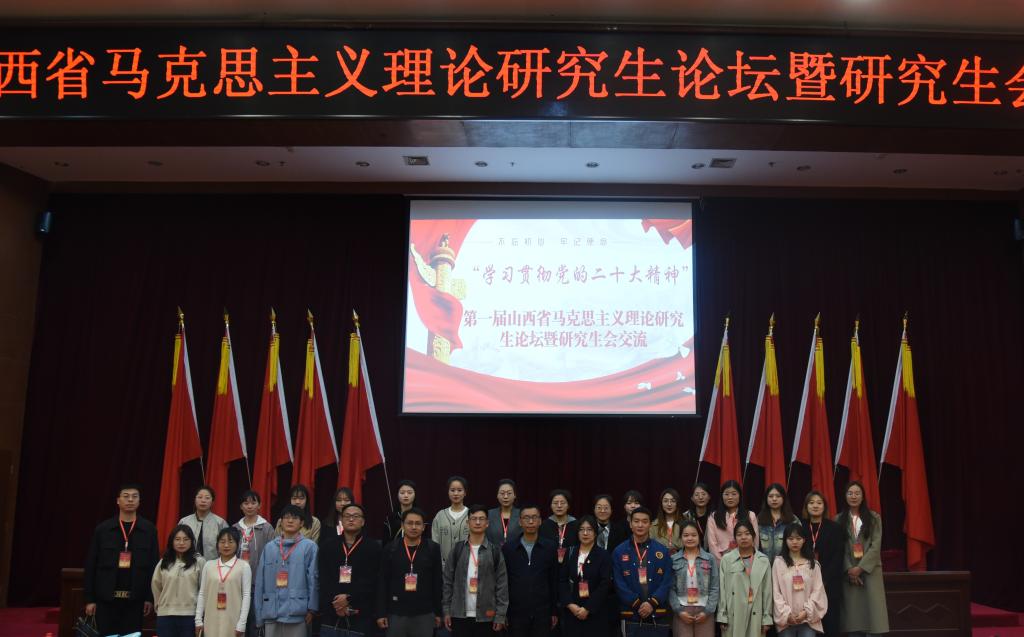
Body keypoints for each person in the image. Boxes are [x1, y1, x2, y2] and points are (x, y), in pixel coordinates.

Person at [83, 483, 160, 636]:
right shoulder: (103, 529)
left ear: (139, 501)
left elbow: (154, 567)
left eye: (134, 497)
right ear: (118, 500)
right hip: (106, 599)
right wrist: (90, 599)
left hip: (136, 600)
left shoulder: (149, 530)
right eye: (126, 496)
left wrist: (149, 598)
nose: (130, 500)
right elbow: (91, 565)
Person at [443, 504, 509, 635]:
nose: (478, 522)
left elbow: (502, 585)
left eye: (481, 519)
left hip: (487, 616)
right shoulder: (457, 549)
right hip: (459, 614)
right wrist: (446, 610)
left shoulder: (495, 551)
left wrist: (500, 615)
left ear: (487, 523)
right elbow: (447, 582)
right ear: (467, 523)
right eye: (474, 519)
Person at [377, 507, 444, 637]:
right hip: (396, 613)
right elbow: (382, 582)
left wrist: (438, 612)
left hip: (424, 614)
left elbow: (437, 583)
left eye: (418, 523)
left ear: (423, 527)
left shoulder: (433, 549)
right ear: (403, 525)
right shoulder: (390, 549)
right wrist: (381, 613)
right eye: (409, 523)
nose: (414, 527)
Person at [256, 505, 319, 636]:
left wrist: (312, 609)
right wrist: (259, 613)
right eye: (286, 517)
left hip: (298, 611)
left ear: (302, 523)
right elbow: (260, 582)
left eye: (295, 518)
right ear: (280, 522)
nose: (290, 521)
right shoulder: (269, 548)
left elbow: (313, 579)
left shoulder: (310, 547)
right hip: (271, 611)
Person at [319, 503, 382, 635]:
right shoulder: (328, 546)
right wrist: (338, 603)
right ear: (341, 520)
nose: (351, 519)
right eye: (347, 516)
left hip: (361, 612)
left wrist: (348, 598)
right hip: (332, 610)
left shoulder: (373, 547)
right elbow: (324, 578)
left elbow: (373, 580)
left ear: (363, 521)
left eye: (355, 516)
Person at [836, 482, 888, 637]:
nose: (854, 496)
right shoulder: (838, 519)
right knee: (854, 622)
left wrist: (860, 568)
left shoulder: (874, 518)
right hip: (850, 575)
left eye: (857, 493)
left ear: (863, 496)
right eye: (850, 493)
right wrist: (850, 569)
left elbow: (876, 546)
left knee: (874, 619)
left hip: (870, 572)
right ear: (845, 496)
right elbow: (838, 548)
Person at [502, 503, 559, 637]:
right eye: (526, 518)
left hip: (542, 613)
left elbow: (553, 580)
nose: (531, 521)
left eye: (534, 517)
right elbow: (504, 583)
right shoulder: (509, 548)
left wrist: (554, 611)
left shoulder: (550, 547)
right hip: (515, 613)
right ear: (520, 522)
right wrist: (503, 612)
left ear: (540, 521)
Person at [612, 506, 673, 630]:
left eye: (645, 521)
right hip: (630, 613)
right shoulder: (619, 551)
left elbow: (667, 581)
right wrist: (637, 603)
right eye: (636, 521)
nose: (640, 525)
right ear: (630, 524)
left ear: (650, 524)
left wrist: (652, 603)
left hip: (657, 612)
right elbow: (618, 583)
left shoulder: (662, 551)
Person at [716, 519, 772, 637]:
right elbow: (722, 589)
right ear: (735, 538)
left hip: (756, 612)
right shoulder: (727, 560)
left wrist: (766, 618)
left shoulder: (763, 560)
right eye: (739, 534)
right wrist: (722, 616)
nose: (743, 537)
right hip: (733, 613)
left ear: (754, 536)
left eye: (747, 534)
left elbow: (767, 591)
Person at [559, 516, 611, 637]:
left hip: (595, 613)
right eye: (581, 529)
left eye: (589, 529)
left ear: (595, 533)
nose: (585, 533)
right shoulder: (570, 552)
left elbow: (605, 584)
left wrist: (587, 608)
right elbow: (562, 580)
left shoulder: (603, 555)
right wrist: (570, 604)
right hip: (572, 612)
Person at [800, 491, 843, 637]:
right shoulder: (800, 527)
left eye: (819, 503)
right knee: (809, 624)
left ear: (824, 506)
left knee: (830, 624)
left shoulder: (835, 528)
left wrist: (823, 580)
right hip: (805, 584)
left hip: (829, 584)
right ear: (806, 507)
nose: (815, 506)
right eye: (811, 503)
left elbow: (838, 557)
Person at [771, 524, 827, 637]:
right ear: (785, 541)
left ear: (804, 540)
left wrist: (806, 612)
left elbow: (818, 591)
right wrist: (786, 614)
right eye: (791, 539)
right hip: (786, 621)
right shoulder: (778, 563)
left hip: (808, 620)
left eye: (798, 538)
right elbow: (776, 592)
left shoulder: (813, 564)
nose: (794, 542)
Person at [196, 527, 252, 637]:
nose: (226, 545)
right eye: (222, 542)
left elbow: (246, 595)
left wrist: (242, 623)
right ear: (217, 544)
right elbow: (202, 593)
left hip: (233, 620)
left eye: (230, 541)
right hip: (211, 619)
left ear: (237, 544)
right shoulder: (209, 565)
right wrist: (198, 620)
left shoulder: (243, 566)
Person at [151, 525, 204, 637]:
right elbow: (156, 586)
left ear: (192, 541)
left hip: (190, 615)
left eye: (186, 539)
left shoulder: (199, 561)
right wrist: (160, 606)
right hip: (165, 614)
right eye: (177, 539)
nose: (181, 543)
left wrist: (200, 614)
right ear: (172, 541)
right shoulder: (163, 562)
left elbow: (203, 590)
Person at [234, 490, 274, 637]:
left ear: (259, 505)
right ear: (241, 506)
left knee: (256, 623)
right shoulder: (235, 528)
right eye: (246, 503)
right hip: (237, 584)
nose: (249, 506)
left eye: (253, 503)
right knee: (238, 622)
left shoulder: (267, 528)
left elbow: (272, 556)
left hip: (259, 584)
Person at [668, 520, 718, 637]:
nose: (690, 538)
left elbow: (715, 587)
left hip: (704, 609)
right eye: (686, 535)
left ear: (699, 537)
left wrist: (708, 611)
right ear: (680, 538)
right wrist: (679, 610)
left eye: (694, 535)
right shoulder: (673, 559)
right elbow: (670, 588)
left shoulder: (709, 558)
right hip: (682, 609)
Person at [706, 481, 759, 561]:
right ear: (722, 496)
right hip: (722, 560)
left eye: (734, 494)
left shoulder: (750, 515)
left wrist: (749, 561)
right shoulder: (713, 517)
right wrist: (723, 564)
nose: (730, 497)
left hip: (747, 560)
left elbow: (755, 542)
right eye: (726, 494)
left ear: (740, 495)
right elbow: (712, 545)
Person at [592, 495, 621, 637]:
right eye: (599, 507)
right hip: (591, 585)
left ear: (611, 510)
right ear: (594, 509)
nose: (602, 511)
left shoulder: (620, 530)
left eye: (606, 508)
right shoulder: (587, 529)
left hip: (613, 587)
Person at [178, 485, 229, 561]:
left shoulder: (220, 523)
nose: (203, 500)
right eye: (200, 497)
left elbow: (227, 546)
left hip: (213, 564)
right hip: (187, 563)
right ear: (195, 500)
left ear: (212, 502)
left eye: (207, 498)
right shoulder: (184, 521)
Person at [433, 476, 470, 567]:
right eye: (452, 490)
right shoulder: (440, 516)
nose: (456, 493)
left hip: (467, 565)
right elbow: (435, 542)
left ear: (465, 493)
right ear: (448, 492)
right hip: (444, 566)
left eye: (459, 490)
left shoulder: (472, 515)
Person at [757, 484, 799, 565]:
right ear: (766, 499)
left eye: (778, 496)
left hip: (786, 565)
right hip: (764, 566)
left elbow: (799, 543)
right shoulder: (759, 520)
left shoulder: (793, 520)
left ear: (783, 498)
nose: (774, 499)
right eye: (770, 496)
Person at [539, 489, 579, 564]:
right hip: (549, 564)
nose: (559, 506)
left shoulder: (577, 525)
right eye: (555, 503)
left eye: (563, 503)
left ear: (568, 505)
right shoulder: (544, 525)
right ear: (550, 505)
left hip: (571, 564)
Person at [487, 479, 521, 547]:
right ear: (497, 495)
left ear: (515, 495)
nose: (505, 497)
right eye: (502, 493)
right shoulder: (489, 514)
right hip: (493, 552)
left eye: (509, 493)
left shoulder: (522, 515)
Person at [652, 488, 685, 555]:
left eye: (673, 501)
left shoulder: (685, 523)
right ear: (661, 503)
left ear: (677, 503)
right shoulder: (653, 525)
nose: (669, 504)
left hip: (681, 559)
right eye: (665, 501)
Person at [384, 480, 418, 544]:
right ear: (397, 495)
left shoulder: (421, 518)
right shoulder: (390, 519)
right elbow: (386, 544)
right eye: (402, 493)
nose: (406, 495)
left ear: (415, 494)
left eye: (409, 493)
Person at [683, 484, 712, 549]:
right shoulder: (686, 516)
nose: (700, 497)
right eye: (696, 495)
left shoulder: (714, 516)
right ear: (692, 498)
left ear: (709, 497)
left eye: (703, 494)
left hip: (711, 552)